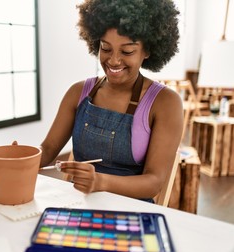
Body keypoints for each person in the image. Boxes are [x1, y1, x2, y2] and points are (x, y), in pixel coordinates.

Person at [39, 0, 183, 202]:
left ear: (148, 50)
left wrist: (100, 182)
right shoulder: (78, 92)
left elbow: (154, 182)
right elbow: (47, 150)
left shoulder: (165, 103)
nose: (114, 61)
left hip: (133, 211)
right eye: (106, 48)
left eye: (127, 52)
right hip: (80, 204)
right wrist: (18, 160)